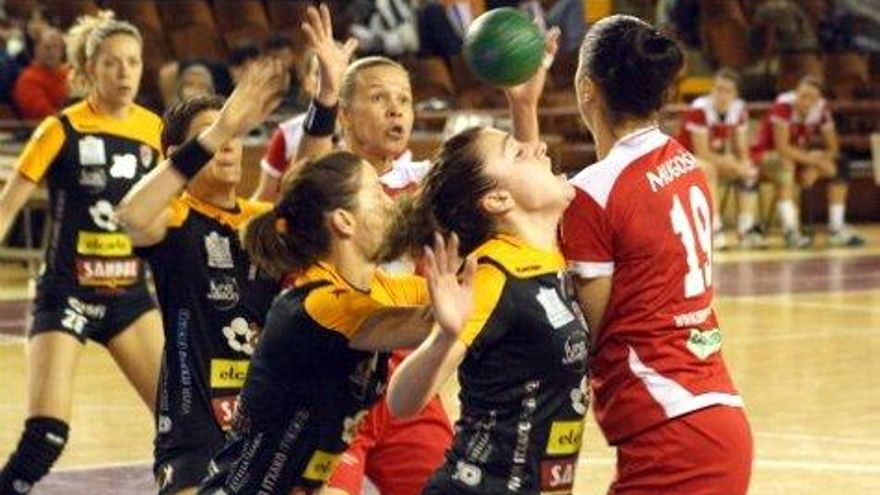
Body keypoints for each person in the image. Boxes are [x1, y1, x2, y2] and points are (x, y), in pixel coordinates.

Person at [196, 151, 470, 495]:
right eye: (376, 194)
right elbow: (412, 322)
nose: (391, 204)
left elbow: (466, 295)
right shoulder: (316, 303)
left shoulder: (382, 288)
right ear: (344, 221)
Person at [561, 15, 752, 495]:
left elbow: (590, 330)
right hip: (713, 412)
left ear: (587, 88)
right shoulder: (688, 164)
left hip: (671, 429)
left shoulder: (593, 192)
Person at [291, 6, 458, 495]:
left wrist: (521, 104)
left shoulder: (427, 184)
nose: (396, 109)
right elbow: (303, 186)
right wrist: (325, 95)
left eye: (404, 99)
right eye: (379, 97)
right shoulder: (330, 181)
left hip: (406, 385)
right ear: (345, 115)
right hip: (330, 384)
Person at [0, 13, 165, 494]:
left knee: (184, 422)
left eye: (133, 61)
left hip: (130, 299)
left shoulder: (155, 131)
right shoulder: (59, 129)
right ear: (89, 69)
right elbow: (7, 208)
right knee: (45, 437)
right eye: (111, 62)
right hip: (67, 295)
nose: (124, 72)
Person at [116, 59, 289, 495]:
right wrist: (219, 130)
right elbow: (131, 216)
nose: (227, 144)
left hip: (266, 421)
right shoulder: (174, 217)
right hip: (194, 431)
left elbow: (309, 186)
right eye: (211, 137)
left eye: (234, 134)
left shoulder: (261, 223)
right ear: (179, 154)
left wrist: (324, 102)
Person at [386, 128, 589, 494]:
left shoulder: (552, 254)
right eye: (517, 152)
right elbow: (400, 402)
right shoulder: (491, 275)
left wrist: (524, 104)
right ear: (497, 199)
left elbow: (528, 185)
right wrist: (444, 336)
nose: (540, 147)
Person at [752, 76, 864, 248]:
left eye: (811, 97)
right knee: (785, 164)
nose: (805, 101)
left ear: (818, 100)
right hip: (765, 157)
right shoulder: (783, 106)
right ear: (796, 93)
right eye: (802, 95)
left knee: (840, 164)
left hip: (798, 157)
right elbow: (782, 148)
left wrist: (815, 168)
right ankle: (791, 231)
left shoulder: (822, 110)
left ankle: (836, 228)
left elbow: (833, 148)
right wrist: (813, 160)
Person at [676, 68, 762, 249]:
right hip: (684, 160)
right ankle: (715, 229)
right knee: (709, 170)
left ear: (735, 94)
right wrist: (733, 164)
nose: (722, 95)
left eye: (727, 91)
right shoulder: (699, 109)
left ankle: (745, 229)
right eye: (718, 89)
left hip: (713, 159)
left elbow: (741, 149)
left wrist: (744, 165)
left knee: (749, 172)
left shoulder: (738, 109)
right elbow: (702, 153)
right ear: (712, 90)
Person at [251, 50, 320, 203]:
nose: (331, 81)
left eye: (342, 73)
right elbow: (264, 198)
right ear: (307, 82)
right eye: (319, 73)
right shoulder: (287, 134)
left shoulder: (369, 130)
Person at [12, 26, 68, 120]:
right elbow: (43, 114)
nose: (52, 52)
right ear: (36, 49)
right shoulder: (28, 79)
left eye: (56, 47)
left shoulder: (69, 74)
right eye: (47, 48)